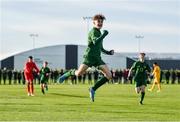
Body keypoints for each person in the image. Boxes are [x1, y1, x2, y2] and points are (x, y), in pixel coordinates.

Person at [57, 14, 114, 102]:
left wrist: (108, 52)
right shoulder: (93, 31)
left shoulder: (99, 33)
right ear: (94, 22)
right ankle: (68, 73)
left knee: (109, 75)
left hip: (97, 59)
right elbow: (95, 42)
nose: (100, 23)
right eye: (98, 21)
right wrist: (104, 35)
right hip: (89, 57)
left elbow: (100, 48)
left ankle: (93, 89)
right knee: (78, 74)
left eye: (101, 22)